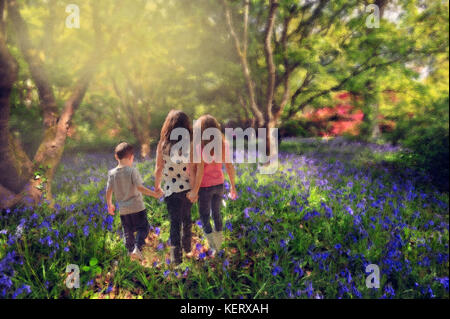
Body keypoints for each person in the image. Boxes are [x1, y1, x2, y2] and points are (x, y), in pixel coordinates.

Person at [187, 114, 237, 255]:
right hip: (219, 185)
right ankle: (219, 244)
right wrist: (233, 186)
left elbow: (200, 171)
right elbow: (229, 166)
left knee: (204, 216)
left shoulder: (199, 146)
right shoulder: (223, 144)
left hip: (204, 188)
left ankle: (213, 246)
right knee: (216, 214)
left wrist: (194, 191)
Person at [106, 142, 162, 260]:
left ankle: (130, 252)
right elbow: (140, 188)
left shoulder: (112, 174)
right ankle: (138, 248)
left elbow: (108, 190)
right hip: (137, 208)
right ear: (131, 157)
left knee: (128, 231)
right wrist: (154, 194)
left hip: (124, 211)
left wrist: (109, 204)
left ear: (116, 157)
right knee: (144, 228)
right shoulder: (132, 171)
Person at [154, 110, 195, 265]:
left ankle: (176, 258)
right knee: (187, 219)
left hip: (171, 190)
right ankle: (188, 248)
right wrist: (194, 190)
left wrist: (157, 186)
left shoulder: (163, 145)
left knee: (174, 223)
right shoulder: (189, 145)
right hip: (186, 188)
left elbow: (158, 168)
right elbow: (191, 170)